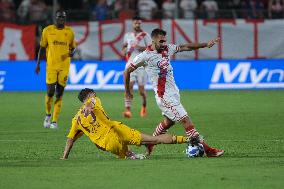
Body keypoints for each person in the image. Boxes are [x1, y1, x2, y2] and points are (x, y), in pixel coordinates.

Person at [124, 28, 224, 157]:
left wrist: (205, 44)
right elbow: (126, 72)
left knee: (168, 122)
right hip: (164, 96)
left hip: (174, 93)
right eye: (161, 41)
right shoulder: (145, 56)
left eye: (165, 40)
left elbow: (185, 47)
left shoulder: (167, 49)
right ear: (153, 40)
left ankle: (150, 142)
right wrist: (128, 91)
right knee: (186, 120)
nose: (164, 43)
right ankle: (208, 150)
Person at [60, 88, 190, 160]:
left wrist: (64, 157)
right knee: (153, 139)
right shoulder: (94, 99)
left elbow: (70, 139)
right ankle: (189, 139)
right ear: (89, 95)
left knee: (129, 156)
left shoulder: (76, 120)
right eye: (93, 94)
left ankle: (133, 156)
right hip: (118, 129)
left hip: (109, 143)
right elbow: (92, 101)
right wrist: (90, 104)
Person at [35, 10, 76, 129]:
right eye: (59, 17)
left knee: (59, 93)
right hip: (51, 66)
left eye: (63, 17)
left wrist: (72, 53)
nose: (61, 19)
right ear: (55, 18)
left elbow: (73, 48)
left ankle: (54, 121)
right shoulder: (47, 31)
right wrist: (37, 64)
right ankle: (47, 114)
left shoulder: (69, 32)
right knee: (50, 92)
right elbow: (41, 48)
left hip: (64, 67)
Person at [122, 16, 152, 118]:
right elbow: (124, 48)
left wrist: (139, 47)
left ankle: (144, 106)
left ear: (141, 24)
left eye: (139, 23)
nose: (137, 25)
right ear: (133, 24)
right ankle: (127, 110)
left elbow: (151, 49)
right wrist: (126, 50)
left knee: (141, 91)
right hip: (130, 64)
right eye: (136, 23)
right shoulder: (127, 35)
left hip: (141, 65)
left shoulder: (145, 35)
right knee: (129, 87)